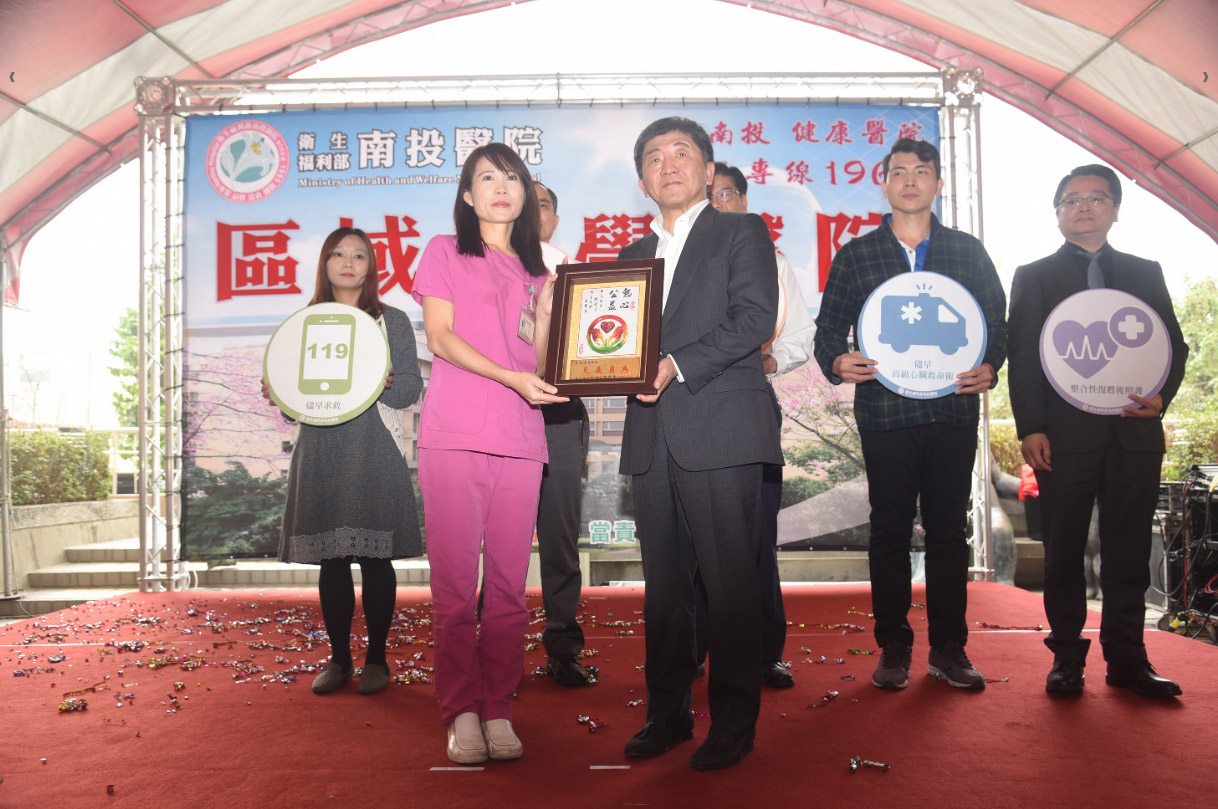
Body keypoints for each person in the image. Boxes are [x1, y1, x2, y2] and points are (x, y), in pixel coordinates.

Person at [813, 138, 1007, 693]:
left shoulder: (967, 252)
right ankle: (894, 646)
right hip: (884, 412)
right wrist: (837, 360)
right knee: (890, 530)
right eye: (899, 171)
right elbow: (830, 331)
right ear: (884, 183)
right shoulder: (857, 254)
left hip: (952, 411)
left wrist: (991, 364)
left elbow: (998, 325)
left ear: (938, 184)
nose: (910, 180)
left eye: (922, 171)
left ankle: (950, 649)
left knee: (950, 531)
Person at [618, 117, 782, 771]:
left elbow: (754, 318)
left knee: (731, 583)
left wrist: (675, 364)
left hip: (720, 428)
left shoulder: (739, 231)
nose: (669, 164)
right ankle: (668, 713)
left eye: (683, 152)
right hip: (651, 438)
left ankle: (735, 723)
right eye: (654, 156)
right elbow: (609, 340)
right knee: (665, 589)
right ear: (642, 180)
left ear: (709, 171)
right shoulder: (630, 257)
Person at [1008, 164, 1187, 698]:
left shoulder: (1145, 271)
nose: (1083, 207)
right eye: (1071, 200)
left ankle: (1129, 659)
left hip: (1134, 434)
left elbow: (1172, 347)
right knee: (1062, 550)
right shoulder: (1033, 275)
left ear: (1114, 209)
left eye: (1096, 198)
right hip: (1062, 438)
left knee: (1129, 550)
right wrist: (1031, 427)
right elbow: (1022, 359)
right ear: (1058, 214)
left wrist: (1162, 397)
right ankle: (1066, 657)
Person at [412, 142, 565, 765]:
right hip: (453, 435)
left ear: (526, 194)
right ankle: (462, 711)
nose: (501, 187)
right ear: (468, 196)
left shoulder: (543, 272)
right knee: (454, 588)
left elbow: (551, 359)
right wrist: (510, 377)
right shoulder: (445, 252)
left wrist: (554, 311)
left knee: (507, 588)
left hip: (523, 438)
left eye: (512, 177)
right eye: (486, 178)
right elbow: (442, 338)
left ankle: (498, 705)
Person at [271, 226, 424, 697]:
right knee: (332, 562)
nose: (348, 262)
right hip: (320, 448)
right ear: (324, 264)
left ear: (371, 266)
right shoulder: (304, 321)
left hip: (374, 444)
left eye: (359, 255)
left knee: (376, 560)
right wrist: (277, 390)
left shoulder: (392, 320)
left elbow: (410, 389)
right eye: (338, 254)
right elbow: (289, 401)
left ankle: (376, 658)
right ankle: (339, 659)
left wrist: (379, 381)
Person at [693, 162, 815, 690]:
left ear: (743, 201)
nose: (718, 204)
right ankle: (690, 650)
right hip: (682, 406)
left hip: (747, 406)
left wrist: (767, 362)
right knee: (688, 541)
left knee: (754, 538)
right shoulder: (676, 261)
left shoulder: (772, 260)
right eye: (709, 195)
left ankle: (765, 652)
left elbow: (800, 337)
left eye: (726, 194)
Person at [533, 182, 595, 687]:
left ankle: (562, 648)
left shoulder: (580, 279)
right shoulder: (479, 274)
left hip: (559, 418)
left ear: (556, 219)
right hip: (500, 414)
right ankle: (494, 647)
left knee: (559, 541)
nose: (534, 212)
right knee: (499, 542)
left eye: (545, 204)